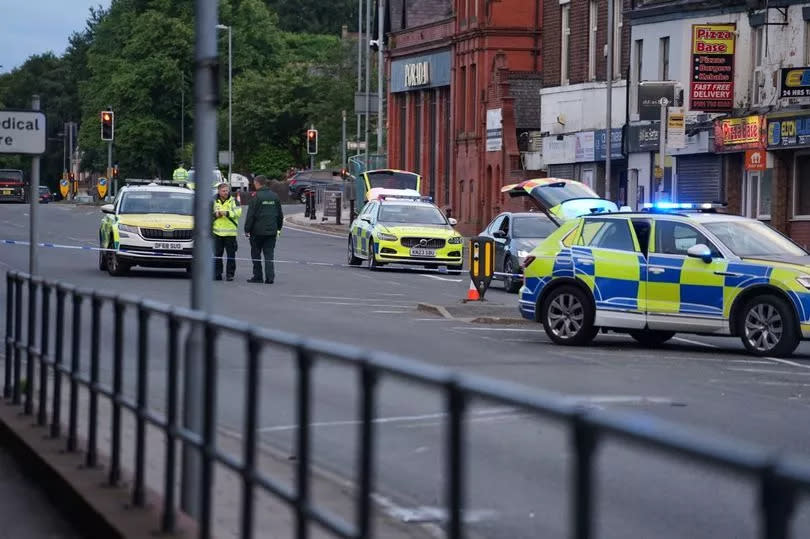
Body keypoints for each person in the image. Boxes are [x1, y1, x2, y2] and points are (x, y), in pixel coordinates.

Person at [244, 175, 283, 283]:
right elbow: (280, 215)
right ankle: (270, 278)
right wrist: (278, 228)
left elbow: (250, 215)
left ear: (257, 183)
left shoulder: (256, 196)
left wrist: (247, 229)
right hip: (271, 231)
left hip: (257, 232)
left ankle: (258, 276)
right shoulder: (274, 196)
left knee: (256, 254)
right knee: (269, 254)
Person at [212, 182, 242, 281]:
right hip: (217, 233)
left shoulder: (234, 200)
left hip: (230, 233)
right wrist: (215, 214)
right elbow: (207, 212)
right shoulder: (213, 200)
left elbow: (238, 212)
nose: (225, 192)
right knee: (217, 255)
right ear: (219, 191)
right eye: (223, 191)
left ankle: (230, 274)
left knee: (231, 255)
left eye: (227, 190)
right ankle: (217, 273)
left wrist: (227, 213)